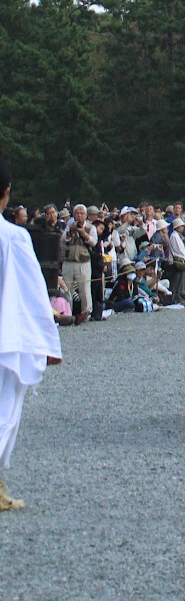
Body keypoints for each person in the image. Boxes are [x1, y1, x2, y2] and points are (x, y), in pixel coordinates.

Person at [0, 156, 62, 510]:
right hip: (5, 334)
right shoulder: (13, 237)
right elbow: (33, 292)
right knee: (3, 407)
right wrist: (46, 338)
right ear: (6, 193)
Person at [60, 204, 97, 324]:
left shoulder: (91, 228)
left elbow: (93, 242)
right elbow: (62, 241)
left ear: (86, 215)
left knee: (84, 289)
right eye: (77, 213)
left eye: (82, 213)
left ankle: (86, 312)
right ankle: (68, 313)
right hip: (69, 261)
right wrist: (71, 232)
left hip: (83, 262)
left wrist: (83, 233)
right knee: (67, 289)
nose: (79, 215)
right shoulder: (69, 226)